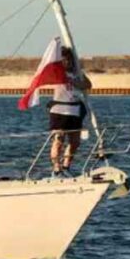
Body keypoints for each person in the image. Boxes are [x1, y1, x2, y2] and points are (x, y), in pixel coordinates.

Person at [49, 47, 93, 177]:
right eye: (64, 60)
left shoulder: (76, 72)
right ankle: (56, 169)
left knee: (75, 142)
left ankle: (66, 166)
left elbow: (88, 85)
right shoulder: (58, 71)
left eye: (69, 59)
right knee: (58, 140)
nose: (67, 62)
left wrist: (77, 82)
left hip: (74, 110)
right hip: (59, 111)